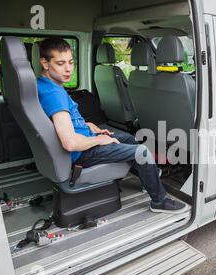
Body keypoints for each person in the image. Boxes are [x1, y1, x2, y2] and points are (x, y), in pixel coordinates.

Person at [36, 38, 187, 214]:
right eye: (60, 63)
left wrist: (88, 125)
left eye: (70, 62)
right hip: (82, 153)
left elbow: (63, 122)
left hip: (85, 140)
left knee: (129, 138)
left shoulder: (46, 85)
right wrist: (99, 140)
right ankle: (159, 201)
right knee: (142, 152)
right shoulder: (54, 94)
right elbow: (70, 143)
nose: (68, 69)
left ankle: (147, 176)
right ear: (45, 63)